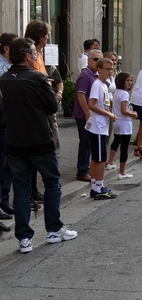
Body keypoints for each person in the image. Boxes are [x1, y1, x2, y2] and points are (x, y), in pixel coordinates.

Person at [0, 37, 77, 253]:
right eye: (35, 53)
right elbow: (52, 106)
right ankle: (54, 229)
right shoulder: (37, 78)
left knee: (22, 189)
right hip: (39, 140)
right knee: (52, 182)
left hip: (15, 141)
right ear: (27, 56)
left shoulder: (4, 78)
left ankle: (24, 238)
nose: (37, 57)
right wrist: (52, 90)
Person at [24, 19, 53, 210]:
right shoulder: (31, 53)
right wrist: (46, 83)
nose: (49, 37)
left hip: (42, 108)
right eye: (47, 34)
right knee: (29, 158)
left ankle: (33, 191)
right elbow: (36, 78)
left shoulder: (40, 54)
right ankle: (29, 194)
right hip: (33, 112)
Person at [85, 58, 118, 200]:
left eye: (112, 69)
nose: (110, 71)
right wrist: (108, 114)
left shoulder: (104, 85)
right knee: (99, 159)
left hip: (102, 125)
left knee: (98, 158)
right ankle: (98, 187)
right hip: (98, 126)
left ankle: (96, 186)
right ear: (99, 69)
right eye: (107, 69)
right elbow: (91, 104)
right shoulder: (97, 85)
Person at [74, 49, 103, 182]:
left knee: (89, 143)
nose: (98, 62)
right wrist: (87, 113)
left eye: (99, 60)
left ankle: (87, 167)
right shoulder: (86, 75)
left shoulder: (95, 75)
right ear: (89, 60)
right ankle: (82, 170)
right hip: (84, 115)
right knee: (85, 142)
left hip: (92, 115)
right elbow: (81, 95)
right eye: (95, 59)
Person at [105, 72, 138, 179]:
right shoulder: (124, 94)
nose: (129, 83)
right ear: (121, 81)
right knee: (124, 147)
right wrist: (133, 114)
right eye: (127, 80)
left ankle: (110, 162)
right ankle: (122, 172)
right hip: (124, 123)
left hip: (117, 122)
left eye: (131, 80)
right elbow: (124, 110)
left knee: (116, 141)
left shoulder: (116, 92)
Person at [0, 33, 17, 229]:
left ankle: (4, 201)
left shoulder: (9, 66)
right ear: (6, 48)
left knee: (7, 165)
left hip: (8, 121)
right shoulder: (2, 66)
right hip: (2, 120)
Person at [103, 51, 118, 147]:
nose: (114, 62)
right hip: (105, 105)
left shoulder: (114, 76)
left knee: (109, 130)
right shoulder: (103, 76)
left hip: (112, 105)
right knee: (105, 132)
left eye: (116, 60)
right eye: (112, 60)